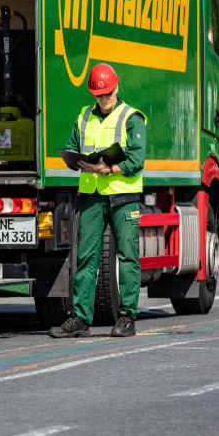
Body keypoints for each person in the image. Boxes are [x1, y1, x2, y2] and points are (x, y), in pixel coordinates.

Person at [50, 62, 146, 338]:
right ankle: (79, 319)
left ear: (116, 87)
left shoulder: (132, 117)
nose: (103, 99)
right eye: (98, 95)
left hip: (122, 196)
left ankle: (127, 318)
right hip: (92, 195)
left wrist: (111, 169)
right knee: (86, 257)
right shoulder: (83, 116)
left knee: (127, 256)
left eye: (107, 93)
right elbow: (71, 146)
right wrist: (76, 161)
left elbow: (137, 160)